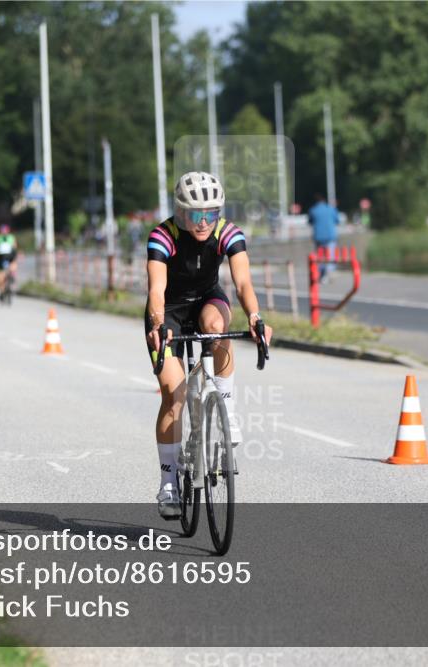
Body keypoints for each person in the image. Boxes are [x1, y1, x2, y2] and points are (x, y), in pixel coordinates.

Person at [145, 171, 273, 519]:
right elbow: (156, 290)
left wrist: (255, 316)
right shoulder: (163, 235)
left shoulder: (227, 233)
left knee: (217, 327)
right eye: (195, 214)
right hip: (167, 312)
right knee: (175, 395)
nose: (203, 222)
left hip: (205, 300)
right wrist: (157, 322)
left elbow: (243, 281)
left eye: (211, 213)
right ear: (181, 211)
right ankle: (168, 482)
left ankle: (226, 408)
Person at [308, 193, 340, 281]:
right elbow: (337, 221)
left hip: (318, 237)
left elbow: (310, 222)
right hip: (330, 236)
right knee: (330, 256)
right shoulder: (331, 209)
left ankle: (322, 274)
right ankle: (329, 273)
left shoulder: (313, 210)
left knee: (320, 256)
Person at [0, 223, 18, 300]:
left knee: (1, 275)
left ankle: (1, 291)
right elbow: (15, 247)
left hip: (2, 257)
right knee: (12, 265)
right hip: (8, 256)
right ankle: (12, 276)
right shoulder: (11, 237)